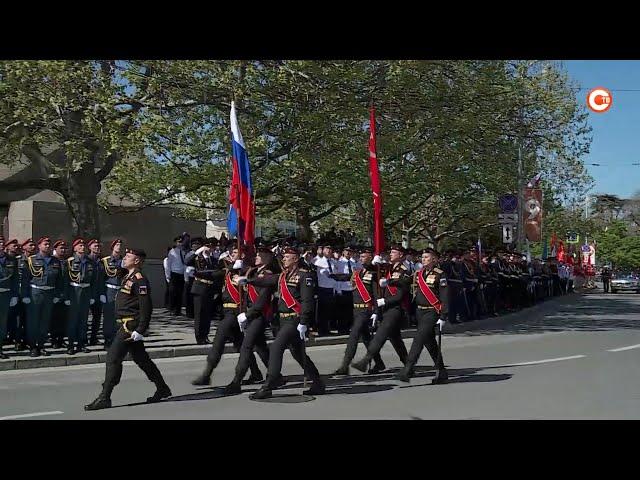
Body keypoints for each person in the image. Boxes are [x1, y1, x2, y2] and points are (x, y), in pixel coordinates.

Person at [85, 248, 172, 410]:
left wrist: (140, 329)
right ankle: (162, 388)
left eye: (128, 256)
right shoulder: (127, 276)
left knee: (113, 358)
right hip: (125, 324)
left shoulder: (140, 279)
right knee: (142, 360)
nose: (124, 258)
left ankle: (105, 396)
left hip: (130, 326)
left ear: (137, 260)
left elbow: (146, 307)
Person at [240, 246, 325, 400]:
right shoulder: (283, 276)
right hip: (283, 320)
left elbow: (307, 301)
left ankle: (269, 386)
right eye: (283, 256)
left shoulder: (305, 276)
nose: (284, 259)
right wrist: (247, 280)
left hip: (295, 319)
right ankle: (318, 382)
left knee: (276, 348)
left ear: (296, 259)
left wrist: (304, 322)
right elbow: (265, 281)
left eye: (287, 256)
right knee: (298, 353)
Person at [190, 245, 268, 386]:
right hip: (226, 312)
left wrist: (239, 268)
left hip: (237, 312)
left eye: (237, 252)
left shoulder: (249, 272)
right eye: (232, 252)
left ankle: (207, 374)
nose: (233, 254)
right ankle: (257, 373)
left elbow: (252, 281)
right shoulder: (227, 272)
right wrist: (195, 272)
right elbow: (212, 274)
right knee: (241, 345)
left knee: (219, 340)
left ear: (244, 255)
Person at [224, 245, 280, 395]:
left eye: (259, 256)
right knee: (261, 346)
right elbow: (241, 278)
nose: (256, 257)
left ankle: (236, 382)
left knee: (246, 347)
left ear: (267, 259)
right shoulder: (254, 272)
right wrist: (235, 267)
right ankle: (277, 376)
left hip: (259, 315)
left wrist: (247, 316)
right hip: (252, 314)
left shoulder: (267, 274)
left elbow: (261, 302)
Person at [351, 245, 410, 373]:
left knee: (381, 334)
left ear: (401, 255)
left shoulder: (404, 271)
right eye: (391, 252)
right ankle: (407, 363)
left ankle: (365, 360)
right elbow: (372, 270)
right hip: (385, 308)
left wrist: (385, 300)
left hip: (396, 308)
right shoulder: (387, 267)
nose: (391, 254)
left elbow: (401, 294)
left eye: (394, 252)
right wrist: (373, 262)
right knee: (395, 338)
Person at [395, 248, 449, 384]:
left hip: (432, 311)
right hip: (420, 312)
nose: (423, 259)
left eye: (426, 257)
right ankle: (441, 371)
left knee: (418, 339)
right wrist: (389, 281)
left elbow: (445, 296)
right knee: (429, 342)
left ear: (434, 259)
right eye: (422, 257)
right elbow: (405, 283)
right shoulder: (418, 274)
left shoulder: (440, 274)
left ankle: (407, 369)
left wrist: (443, 315)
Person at [332, 247, 386, 376]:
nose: (361, 259)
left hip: (366, 309)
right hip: (356, 309)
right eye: (360, 257)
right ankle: (379, 363)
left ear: (370, 258)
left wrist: (376, 312)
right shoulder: (358, 272)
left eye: (364, 257)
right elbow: (345, 277)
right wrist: (332, 275)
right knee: (366, 337)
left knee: (354, 335)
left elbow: (377, 294)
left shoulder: (374, 273)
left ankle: (345, 365)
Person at [21, 237, 64, 357]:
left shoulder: (55, 261)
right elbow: (25, 279)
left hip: (49, 294)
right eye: (45, 244)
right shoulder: (31, 260)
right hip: (35, 293)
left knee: (45, 321)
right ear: (39, 246)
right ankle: (33, 346)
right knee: (33, 321)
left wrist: (57, 295)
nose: (47, 246)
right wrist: (25, 295)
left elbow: (59, 280)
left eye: (49, 244)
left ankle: (41, 345)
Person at [64, 238, 99, 355]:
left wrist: (93, 295)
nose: (82, 247)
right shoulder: (69, 261)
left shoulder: (90, 262)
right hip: (74, 291)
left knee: (83, 320)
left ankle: (81, 343)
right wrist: (67, 296)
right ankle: (70, 344)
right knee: (73, 320)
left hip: (86, 291)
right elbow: (65, 280)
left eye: (83, 246)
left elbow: (94, 280)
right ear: (74, 248)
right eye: (79, 246)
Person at [185, 237, 217, 344]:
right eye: (207, 246)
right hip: (199, 288)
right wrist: (196, 252)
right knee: (199, 314)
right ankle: (199, 337)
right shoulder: (197, 258)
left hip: (209, 289)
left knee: (207, 315)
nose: (209, 248)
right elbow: (187, 261)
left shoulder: (213, 260)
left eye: (211, 246)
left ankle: (205, 335)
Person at [99, 239, 126, 349]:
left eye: (120, 245)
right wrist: (102, 293)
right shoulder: (105, 261)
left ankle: (117, 339)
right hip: (109, 290)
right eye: (117, 245)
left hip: (120, 290)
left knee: (119, 317)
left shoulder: (124, 261)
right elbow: (101, 279)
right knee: (108, 317)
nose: (119, 247)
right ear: (112, 247)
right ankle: (107, 339)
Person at [0, 236, 19, 359]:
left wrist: (14, 295)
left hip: (5, 294)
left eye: (2, 243)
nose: (1, 245)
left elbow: (15, 279)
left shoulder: (11, 260)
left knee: (2, 323)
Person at [50, 240, 70, 349]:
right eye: (60, 248)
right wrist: (55, 295)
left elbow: (67, 280)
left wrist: (66, 296)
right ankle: (54, 340)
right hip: (54, 295)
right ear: (55, 249)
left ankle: (61, 339)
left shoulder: (66, 262)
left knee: (63, 319)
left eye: (64, 248)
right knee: (54, 319)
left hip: (64, 295)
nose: (63, 250)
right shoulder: (52, 261)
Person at [87, 239, 104, 346]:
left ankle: (93, 338)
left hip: (98, 294)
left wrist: (102, 293)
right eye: (95, 246)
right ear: (89, 248)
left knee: (97, 318)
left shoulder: (101, 262)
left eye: (98, 246)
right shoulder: (86, 260)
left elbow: (103, 279)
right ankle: (82, 338)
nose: (97, 248)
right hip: (86, 293)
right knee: (83, 318)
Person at [166, 235, 187, 316]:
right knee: (173, 292)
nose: (180, 244)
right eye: (178, 242)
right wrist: (168, 275)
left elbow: (185, 265)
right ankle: (172, 309)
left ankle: (178, 310)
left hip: (181, 274)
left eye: (181, 242)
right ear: (176, 243)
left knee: (180, 292)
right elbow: (168, 264)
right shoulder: (172, 252)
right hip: (174, 274)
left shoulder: (184, 252)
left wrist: (185, 276)